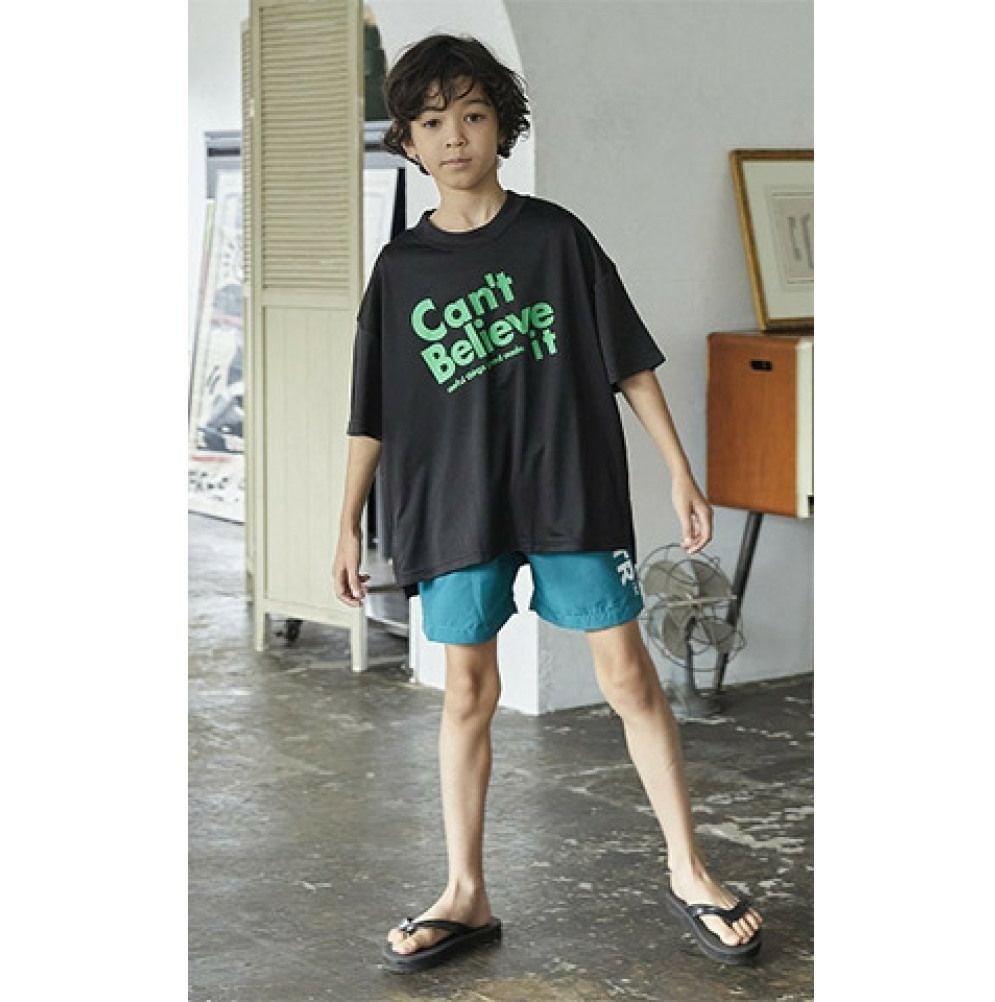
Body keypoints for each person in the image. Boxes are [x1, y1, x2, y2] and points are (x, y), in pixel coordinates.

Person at [331, 32, 764, 973]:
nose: (455, 137)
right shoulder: (400, 269)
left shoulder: (556, 238)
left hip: (570, 489)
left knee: (628, 677)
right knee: (467, 691)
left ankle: (689, 868)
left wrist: (681, 472)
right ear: (407, 140)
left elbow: (630, 363)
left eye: (473, 116)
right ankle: (465, 891)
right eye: (433, 122)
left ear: (503, 127)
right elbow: (371, 411)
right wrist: (348, 522)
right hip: (455, 507)